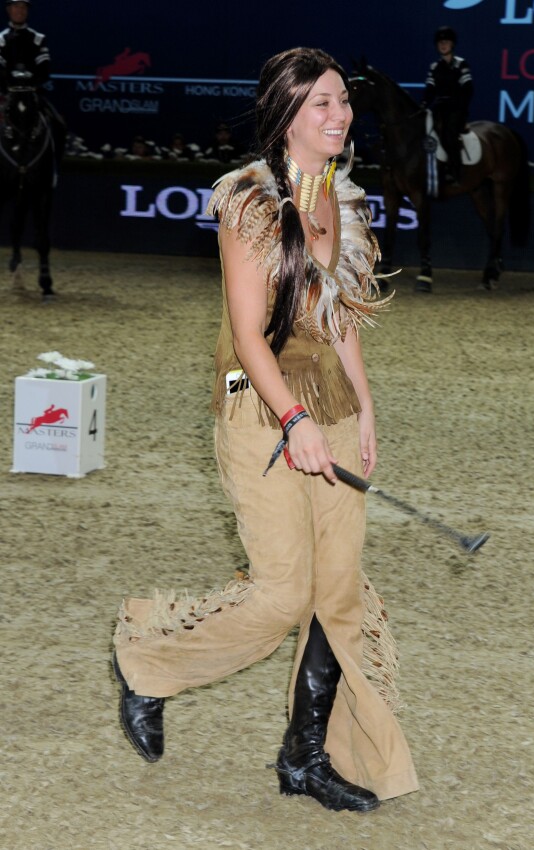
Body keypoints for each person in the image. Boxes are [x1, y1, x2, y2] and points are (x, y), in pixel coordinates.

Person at [112, 47, 419, 813]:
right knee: (285, 594)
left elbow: (339, 312)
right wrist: (295, 420)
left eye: (344, 100)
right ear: (286, 114)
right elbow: (251, 337)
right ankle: (147, 661)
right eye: (321, 103)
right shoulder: (249, 202)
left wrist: (364, 404)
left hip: (333, 409)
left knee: (337, 592)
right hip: (262, 408)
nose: (340, 114)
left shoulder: (341, 199)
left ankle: (305, 758)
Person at [0, 0, 65, 159]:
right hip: (5, 94)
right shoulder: (0, 38)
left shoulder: (38, 38)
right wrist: (7, 86)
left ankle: (53, 171)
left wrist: (32, 84)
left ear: (27, 11)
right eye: (16, 6)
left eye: (23, 7)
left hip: (32, 93)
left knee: (59, 124)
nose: (20, 11)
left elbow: (44, 67)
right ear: (9, 10)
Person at [422, 25, 473, 185]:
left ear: (452, 44)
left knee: (449, 134)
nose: (443, 45)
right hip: (439, 107)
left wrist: (461, 108)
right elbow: (430, 89)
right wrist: (423, 103)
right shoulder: (434, 67)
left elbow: (468, 88)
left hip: (457, 107)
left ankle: (455, 171)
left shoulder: (461, 64)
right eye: (440, 42)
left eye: (446, 42)